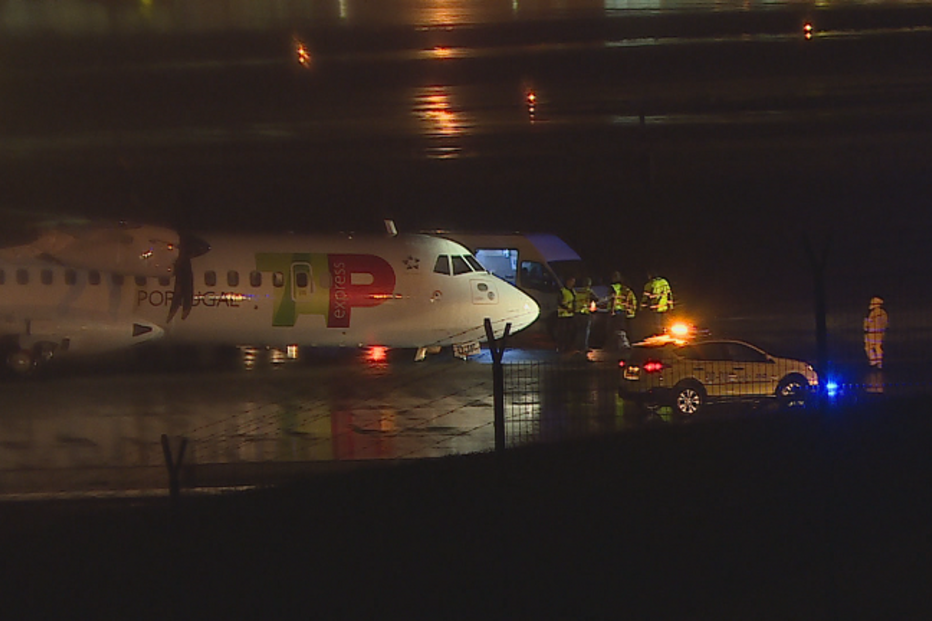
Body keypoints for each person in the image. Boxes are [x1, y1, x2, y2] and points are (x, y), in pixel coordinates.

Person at [608, 271, 637, 352]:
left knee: (617, 329)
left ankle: (620, 346)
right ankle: (626, 344)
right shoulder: (626, 289)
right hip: (624, 310)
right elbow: (631, 300)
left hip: (616, 310)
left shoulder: (613, 287)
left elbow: (613, 300)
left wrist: (611, 310)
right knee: (624, 328)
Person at [641, 271, 674, 338]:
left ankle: (660, 335)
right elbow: (669, 294)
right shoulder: (664, 282)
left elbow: (645, 297)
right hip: (664, 306)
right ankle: (666, 332)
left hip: (655, 307)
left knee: (657, 322)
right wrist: (670, 305)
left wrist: (642, 307)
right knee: (665, 321)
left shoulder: (650, 284)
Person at [573, 276, 599, 353]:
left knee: (579, 331)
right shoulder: (589, 291)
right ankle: (584, 347)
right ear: (589, 284)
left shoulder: (577, 291)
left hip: (577, 313)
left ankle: (577, 346)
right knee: (585, 331)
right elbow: (596, 299)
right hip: (585, 313)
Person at [863, 296, 888, 369]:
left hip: (872, 333)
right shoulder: (883, 313)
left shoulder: (873, 313)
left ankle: (873, 361)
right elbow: (885, 323)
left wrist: (866, 328)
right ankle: (879, 362)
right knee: (878, 347)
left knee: (868, 347)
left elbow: (867, 323)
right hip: (880, 333)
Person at [556, 276, 577, 353]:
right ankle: (561, 347)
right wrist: (567, 308)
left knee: (570, 332)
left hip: (570, 315)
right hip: (563, 315)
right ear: (567, 281)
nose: (573, 283)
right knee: (562, 333)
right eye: (572, 281)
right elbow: (559, 302)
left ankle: (568, 347)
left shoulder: (573, 291)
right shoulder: (562, 291)